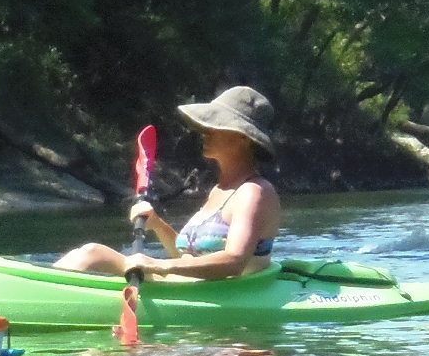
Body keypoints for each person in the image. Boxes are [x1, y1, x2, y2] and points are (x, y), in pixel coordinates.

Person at [56, 84, 282, 280]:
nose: (204, 132)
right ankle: (39, 287)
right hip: (188, 287)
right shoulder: (219, 190)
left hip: (228, 295)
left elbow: (234, 261)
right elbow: (188, 258)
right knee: (90, 252)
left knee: (92, 254)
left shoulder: (255, 192)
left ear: (242, 138)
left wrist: (158, 265)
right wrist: (156, 224)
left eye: (214, 126)